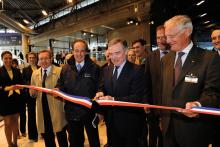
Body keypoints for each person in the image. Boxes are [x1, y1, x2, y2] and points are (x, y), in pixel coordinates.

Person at [161, 15, 220, 147]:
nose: (168, 40)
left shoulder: (209, 59)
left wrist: (199, 105)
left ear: (187, 32)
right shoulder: (166, 60)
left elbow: (214, 94)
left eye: (172, 36)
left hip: (193, 132)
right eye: (166, 36)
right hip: (168, 130)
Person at [95, 38, 146, 147]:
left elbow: (137, 98)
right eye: (111, 54)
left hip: (130, 124)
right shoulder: (106, 70)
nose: (113, 57)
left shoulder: (137, 71)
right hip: (111, 123)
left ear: (126, 51)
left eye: (117, 53)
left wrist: (113, 99)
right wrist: (100, 93)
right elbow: (102, 87)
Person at [56, 39, 100, 147]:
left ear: (86, 52)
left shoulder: (95, 68)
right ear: (72, 51)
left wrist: (100, 111)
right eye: (76, 50)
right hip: (72, 113)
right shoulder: (65, 68)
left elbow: (100, 88)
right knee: (75, 142)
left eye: (82, 51)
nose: (79, 54)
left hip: (90, 112)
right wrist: (57, 89)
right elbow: (60, 84)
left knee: (94, 141)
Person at [30, 50, 68, 147]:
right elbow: (32, 92)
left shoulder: (60, 71)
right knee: (47, 136)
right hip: (43, 109)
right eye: (41, 59)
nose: (44, 61)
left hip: (57, 109)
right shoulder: (35, 74)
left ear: (51, 58)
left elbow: (66, 89)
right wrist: (32, 93)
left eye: (46, 58)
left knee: (61, 134)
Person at [145, 25, 169, 147]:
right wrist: (146, 102)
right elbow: (147, 82)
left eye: (163, 37)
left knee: (166, 139)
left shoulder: (176, 55)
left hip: (170, 108)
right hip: (153, 107)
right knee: (153, 138)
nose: (160, 41)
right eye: (158, 38)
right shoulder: (150, 57)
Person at [0, 51, 24, 147]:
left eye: (10, 58)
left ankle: (15, 143)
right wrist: (8, 88)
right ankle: (10, 144)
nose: (8, 60)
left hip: (16, 99)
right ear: (2, 59)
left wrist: (19, 87)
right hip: (4, 100)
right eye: (6, 58)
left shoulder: (16, 71)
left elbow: (21, 83)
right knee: (7, 123)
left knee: (15, 121)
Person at [22, 52, 39, 142]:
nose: (32, 59)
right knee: (31, 115)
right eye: (30, 58)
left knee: (42, 113)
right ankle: (33, 135)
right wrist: (32, 86)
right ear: (27, 59)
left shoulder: (40, 68)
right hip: (30, 94)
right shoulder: (25, 70)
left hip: (41, 94)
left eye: (33, 57)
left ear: (36, 58)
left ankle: (43, 132)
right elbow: (24, 81)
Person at [210, 27, 220, 147]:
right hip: (214, 108)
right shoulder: (210, 58)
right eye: (213, 38)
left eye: (219, 37)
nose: (216, 40)